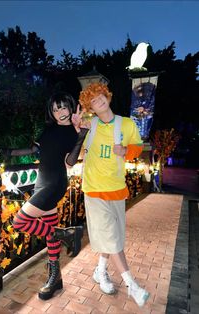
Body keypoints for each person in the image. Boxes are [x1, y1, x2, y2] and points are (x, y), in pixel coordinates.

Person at [0, 92, 88, 300]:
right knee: (50, 236)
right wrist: (3, 150)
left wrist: (82, 134)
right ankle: (55, 279)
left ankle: (68, 234)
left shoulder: (72, 132)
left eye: (64, 107)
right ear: (51, 111)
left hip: (55, 183)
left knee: (20, 221)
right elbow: (31, 150)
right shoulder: (48, 130)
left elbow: (70, 163)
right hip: (42, 181)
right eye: (55, 108)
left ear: (71, 107)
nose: (60, 112)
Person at [78, 82, 150, 307]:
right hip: (94, 189)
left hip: (117, 189)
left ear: (106, 95)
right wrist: (74, 125)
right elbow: (76, 133)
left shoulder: (126, 124)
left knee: (114, 237)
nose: (97, 100)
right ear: (90, 107)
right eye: (92, 101)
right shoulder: (90, 124)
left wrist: (127, 151)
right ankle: (132, 286)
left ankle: (100, 271)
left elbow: (138, 146)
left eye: (99, 95)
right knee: (111, 237)